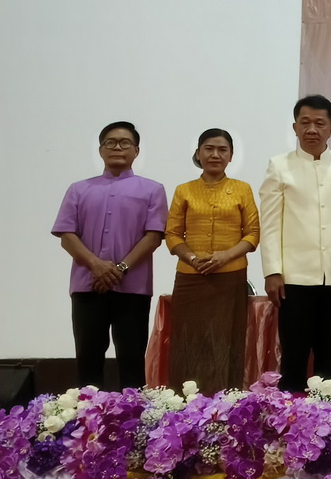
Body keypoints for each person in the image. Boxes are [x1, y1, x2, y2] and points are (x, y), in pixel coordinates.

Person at [259, 95, 331, 393]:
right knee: (294, 356)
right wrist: (272, 271)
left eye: (320, 123)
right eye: (305, 123)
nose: (312, 129)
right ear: (295, 127)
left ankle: (327, 422)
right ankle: (290, 423)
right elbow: (270, 223)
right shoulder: (279, 166)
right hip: (294, 278)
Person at [52, 122, 168, 389]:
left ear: (136, 151)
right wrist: (96, 266)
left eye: (125, 143)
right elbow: (67, 236)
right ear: (101, 150)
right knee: (88, 359)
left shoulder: (152, 190)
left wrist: (120, 268)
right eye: (111, 142)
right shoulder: (78, 189)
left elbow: (153, 237)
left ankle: (134, 421)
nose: (118, 147)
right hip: (86, 286)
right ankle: (87, 420)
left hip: (133, 288)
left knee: (131, 360)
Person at [164, 129, 259, 393]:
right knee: (187, 342)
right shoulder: (184, 190)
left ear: (231, 156)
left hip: (230, 277)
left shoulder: (242, 189)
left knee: (226, 341)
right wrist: (192, 258)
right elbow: (172, 234)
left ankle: (225, 402)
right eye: (209, 148)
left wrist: (225, 256)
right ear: (198, 153)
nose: (215, 154)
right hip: (190, 278)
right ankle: (184, 402)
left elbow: (252, 234)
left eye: (222, 150)